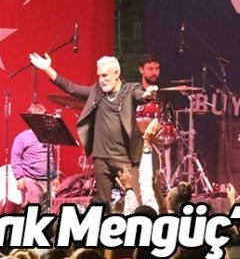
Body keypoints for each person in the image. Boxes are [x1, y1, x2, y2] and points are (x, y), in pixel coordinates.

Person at [29, 53, 156, 206]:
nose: (101, 80)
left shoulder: (130, 90)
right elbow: (71, 88)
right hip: (101, 159)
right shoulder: (97, 91)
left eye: (105, 75)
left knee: (135, 201)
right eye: (99, 76)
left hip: (124, 159)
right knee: (103, 204)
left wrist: (148, 95)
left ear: (116, 73)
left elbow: (141, 95)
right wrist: (48, 69)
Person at [11, 103, 57, 208]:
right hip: (31, 180)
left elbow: (51, 157)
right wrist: (19, 178)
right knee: (34, 209)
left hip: (48, 180)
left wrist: (54, 176)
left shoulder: (48, 136)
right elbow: (15, 158)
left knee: (47, 209)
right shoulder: (22, 137)